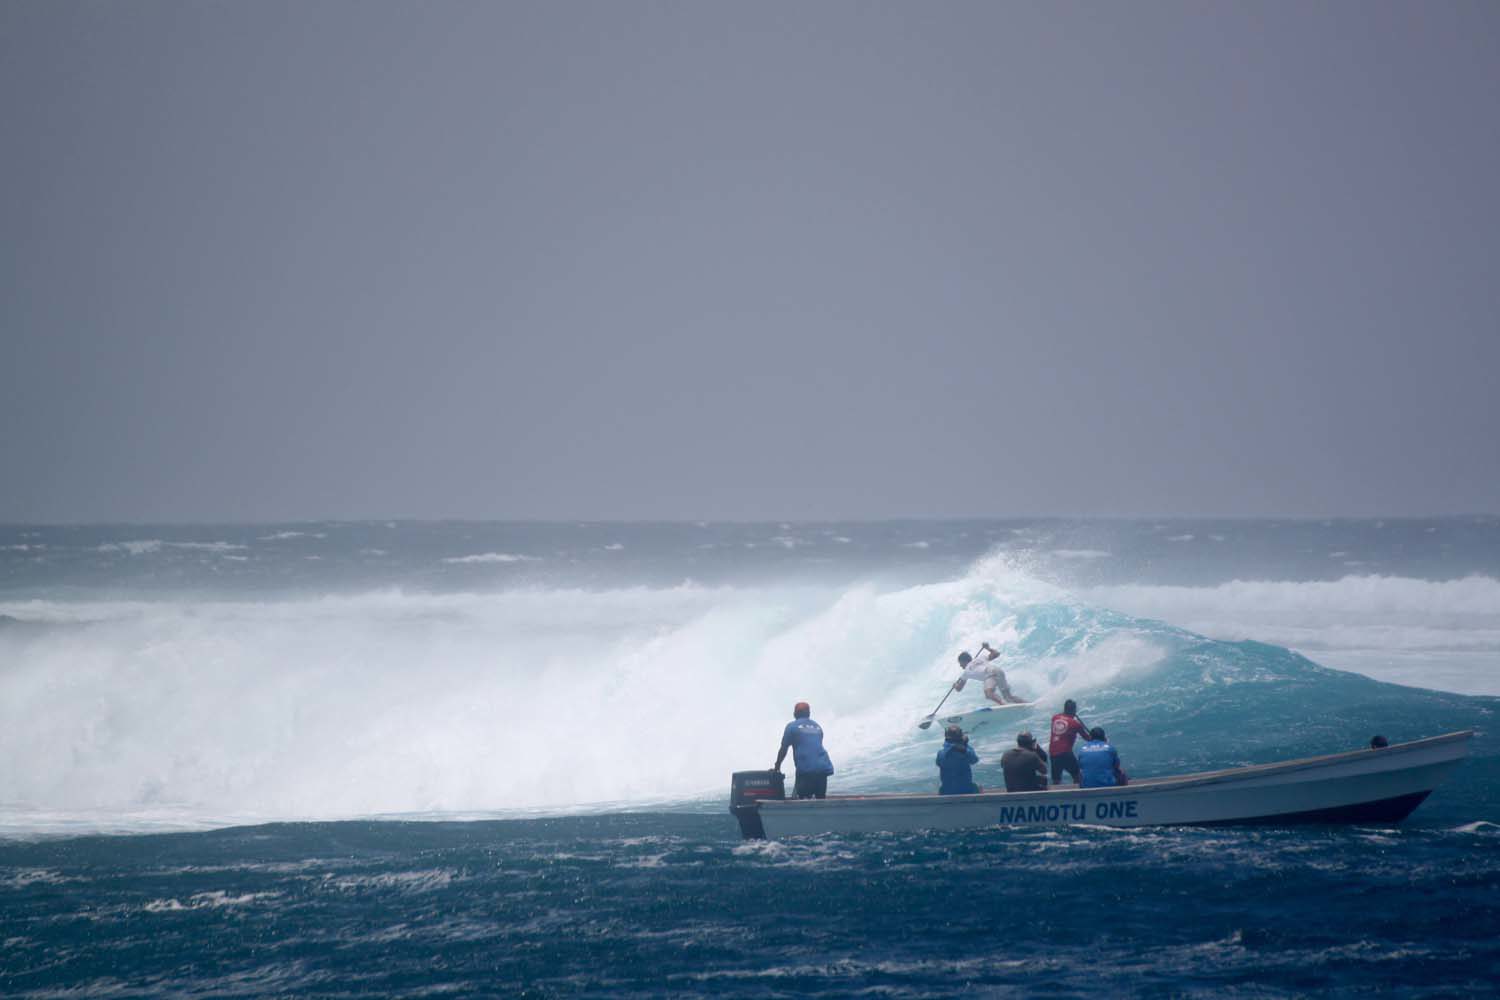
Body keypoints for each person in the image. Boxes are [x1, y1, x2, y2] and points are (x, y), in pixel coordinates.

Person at [773, 701, 835, 799]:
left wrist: (777, 766)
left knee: (802, 799)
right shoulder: (817, 726)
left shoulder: (791, 726)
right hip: (823, 768)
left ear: (795, 714)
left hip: (806, 770)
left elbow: (783, 748)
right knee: (820, 799)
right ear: (809, 713)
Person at [954, 642, 1023, 705]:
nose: (960, 665)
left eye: (960, 663)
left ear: (964, 661)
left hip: (989, 673)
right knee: (1008, 697)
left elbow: (959, 689)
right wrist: (988, 648)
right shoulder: (980, 658)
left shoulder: (966, 671)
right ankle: (1026, 704)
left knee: (988, 693)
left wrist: (955, 685)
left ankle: (1004, 705)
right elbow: (996, 654)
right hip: (998, 671)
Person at [1048, 699, 1091, 786]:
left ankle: (1056, 793)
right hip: (1065, 753)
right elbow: (1087, 738)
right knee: (1077, 776)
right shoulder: (1075, 724)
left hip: (1053, 753)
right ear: (1073, 710)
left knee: (1056, 780)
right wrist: (1097, 738)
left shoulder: (1055, 718)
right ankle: (1079, 792)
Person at [937, 724, 982, 794]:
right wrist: (965, 745)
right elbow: (974, 760)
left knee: (941, 788)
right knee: (978, 787)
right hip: (966, 790)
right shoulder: (966, 752)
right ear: (960, 737)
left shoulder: (941, 753)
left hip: (947, 792)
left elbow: (938, 763)